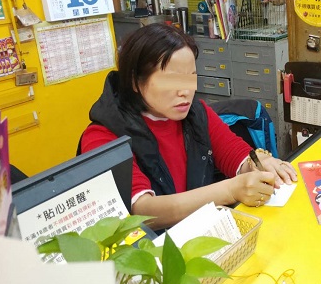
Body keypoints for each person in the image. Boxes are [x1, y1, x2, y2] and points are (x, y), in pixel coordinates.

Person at [80, 23, 297, 230]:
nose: (185, 91)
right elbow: (142, 212)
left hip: (200, 233)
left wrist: (261, 164)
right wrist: (231, 190)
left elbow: (236, 155)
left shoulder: (196, 113)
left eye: (191, 78)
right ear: (136, 82)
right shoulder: (103, 136)